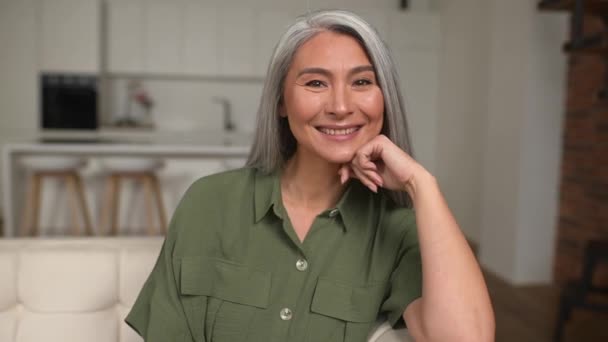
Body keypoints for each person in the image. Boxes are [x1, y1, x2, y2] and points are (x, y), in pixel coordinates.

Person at [125, 9, 495, 342]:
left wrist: (421, 184)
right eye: (316, 83)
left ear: (385, 98)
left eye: (362, 82)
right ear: (282, 102)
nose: (340, 106)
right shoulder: (209, 202)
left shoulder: (398, 230)